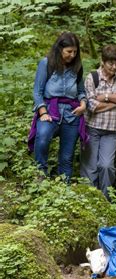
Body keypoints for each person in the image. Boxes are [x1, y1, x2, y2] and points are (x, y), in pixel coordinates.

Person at [28, 31, 87, 181]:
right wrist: (42, 112)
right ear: (59, 49)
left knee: (67, 156)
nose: (72, 55)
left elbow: (81, 91)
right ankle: (41, 175)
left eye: (75, 52)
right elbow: (37, 91)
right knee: (42, 139)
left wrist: (83, 104)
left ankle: (64, 187)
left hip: (72, 115)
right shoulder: (46, 63)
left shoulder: (77, 67)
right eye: (69, 51)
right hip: (50, 111)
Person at [80, 44, 116, 199]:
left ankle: (105, 199)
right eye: (111, 63)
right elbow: (92, 106)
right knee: (90, 167)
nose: (114, 67)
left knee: (106, 166)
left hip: (113, 129)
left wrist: (106, 97)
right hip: (92, 127)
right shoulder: (92, 77)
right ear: (102, 61)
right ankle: (90, 199)